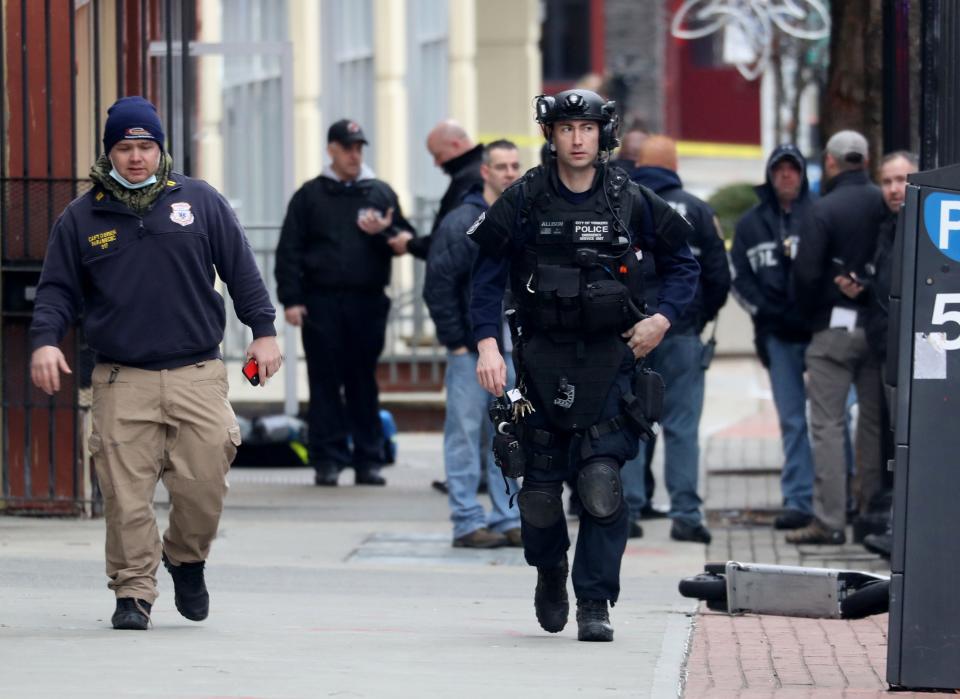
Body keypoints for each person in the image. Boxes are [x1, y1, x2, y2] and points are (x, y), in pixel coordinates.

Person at [29, 96, 281, 631]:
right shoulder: (81, 218)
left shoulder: (199, 202)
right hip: (122, 379)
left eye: (145, 146)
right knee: (125, 495)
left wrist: (264, 332)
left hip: (197, 373)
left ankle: (186, 559)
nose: (136, 157)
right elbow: (56, 291)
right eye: (125, 147)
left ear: (160, 149)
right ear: (110, 152)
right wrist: (46, 340)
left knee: (204, 483)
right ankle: (133, 591)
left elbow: (242, 270)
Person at [469, 89, 699, 641]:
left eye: (587, 128)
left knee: (600, 484)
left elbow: (685, 264)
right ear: (551, 135)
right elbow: (484, 276)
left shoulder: (630, 198)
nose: (577, 138)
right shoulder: (524, 198)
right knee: (542, 497)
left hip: (611, 359)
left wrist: (662, 320)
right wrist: (486, 344)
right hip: (541, 361)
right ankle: (550, 573)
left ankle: (595, 601)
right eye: (567, 128)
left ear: (604, 135)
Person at [275, 119, 416, 487]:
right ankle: (328, 459)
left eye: (359, 148)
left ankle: (368, 459)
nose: (354, 155)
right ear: (331, 150)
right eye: (347, 148)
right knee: (324, 382)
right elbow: (289, 250)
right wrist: (291, 299)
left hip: (367, 302)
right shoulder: (310, 196)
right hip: (321, 303)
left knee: (362, 382)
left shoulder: (379, 192)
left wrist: (384, 231)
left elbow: (406, 238)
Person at [620, 135, 731, 543]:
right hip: (680, 331)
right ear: (675, 163)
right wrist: (697, 316)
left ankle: (627, 510)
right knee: (682, 427)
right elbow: (718, 275)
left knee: (628, 423)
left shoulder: (619, 204)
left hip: (627, 334)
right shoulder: (697, 210)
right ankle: (685, 514)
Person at [788, 130, 887, 545]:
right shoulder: (886, 205)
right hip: (878, 328)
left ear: (830, 162)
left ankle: (829, 520)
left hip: (832, 329)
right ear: (866, 161)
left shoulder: (822, 210)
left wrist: (811, 318)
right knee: (873, 421)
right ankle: (870, 513)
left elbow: (806, 274)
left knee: (827, 425)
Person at [423, 140, 523, 548]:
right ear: (485, 171)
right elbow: (438, 285)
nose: (510, 173)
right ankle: (466, 520)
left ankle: (507, 516)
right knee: (464, 432)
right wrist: (458, 342)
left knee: (508, 431)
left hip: (513, 348)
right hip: (471, 348)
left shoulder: (521, 216)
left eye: (515, 165)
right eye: (501, 166)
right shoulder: (462, 221)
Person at [730, 144, 817, 530]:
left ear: (802, 174)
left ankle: (842, 494)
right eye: (779, 169)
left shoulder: (818, 215)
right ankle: (798, 498)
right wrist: (766, 311)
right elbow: (739, 281)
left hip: (819, 333)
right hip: (777, 336)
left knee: (834, 420)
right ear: (770, 174)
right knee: (793, 420)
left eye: (793, 169)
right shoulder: (751, 224)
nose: (786, 176)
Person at [851, 151, 919, 558]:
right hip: (888, 350)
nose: (895, 189)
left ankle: (905, 532)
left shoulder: (923, 231)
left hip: (917, 356)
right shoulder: (889, 228)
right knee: (897, 443)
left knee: (910, 444)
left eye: (903, 179)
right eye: (888, 181)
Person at [393, 119, 484, 262]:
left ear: (456, 145)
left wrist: (409, 244)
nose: (436, 163)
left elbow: (447, 242)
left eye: (438, 155)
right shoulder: (480, 171)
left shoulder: (468, 180)